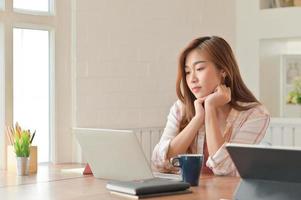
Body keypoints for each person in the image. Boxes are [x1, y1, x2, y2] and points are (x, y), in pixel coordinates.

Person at [151, 36, 270, 176]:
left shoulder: (254, 114)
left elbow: (225, 169)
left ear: (223, 71)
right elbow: (158, 163)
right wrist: (197, 119)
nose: (192, 79)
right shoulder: (180, 108)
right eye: (188, 72)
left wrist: (210, 107)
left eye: (199, 68)